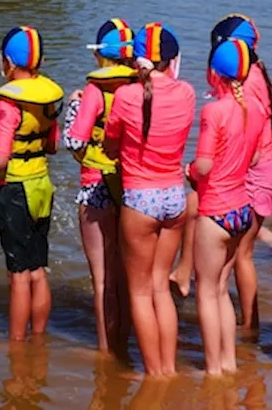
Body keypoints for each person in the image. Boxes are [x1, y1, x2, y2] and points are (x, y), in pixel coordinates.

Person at [103, 23, 196, 377]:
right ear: (171, 61)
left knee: (139, 293)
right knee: (160, 287)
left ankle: (154, 373)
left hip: (140, 198)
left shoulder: (127, 97)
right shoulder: (186, 93)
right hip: (175, 197)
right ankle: (169, 369)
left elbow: (111, 145)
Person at [0, 26, 65, 341]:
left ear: (9, 63)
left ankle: (16, 347)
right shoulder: (47, 100)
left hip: (14, 191)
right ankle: (39, 340)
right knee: (38, 270)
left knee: (18, 276)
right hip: (42, 187)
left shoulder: (8, 105)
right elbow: (53, 146)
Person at [190, 38, 267, 376]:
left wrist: (187, 171)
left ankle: (212, 369)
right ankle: (229, 363)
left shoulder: (214, 110)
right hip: (242, 208)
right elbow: (254, 157)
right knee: (222, 289)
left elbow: (204, 166)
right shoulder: (257, 109)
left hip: (216, 211)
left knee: (206, 292)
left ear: (212, 73)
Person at [63, 19, 136, 354]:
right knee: (124, 274)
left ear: (101, 57)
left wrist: (75, 106)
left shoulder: (95, 91)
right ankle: (127, 342)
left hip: (96, 186)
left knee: (102, 278)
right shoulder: (140, 86)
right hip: (132, 186)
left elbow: (74, 140)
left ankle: (107, 353)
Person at [209, 14, 272, 331]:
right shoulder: (256, 72)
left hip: (257, 169)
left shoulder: (247, 83)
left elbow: (243, 133)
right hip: (268, 165)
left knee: (243, 255)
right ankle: (246, 324)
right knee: (242, 252)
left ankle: (251, 329)